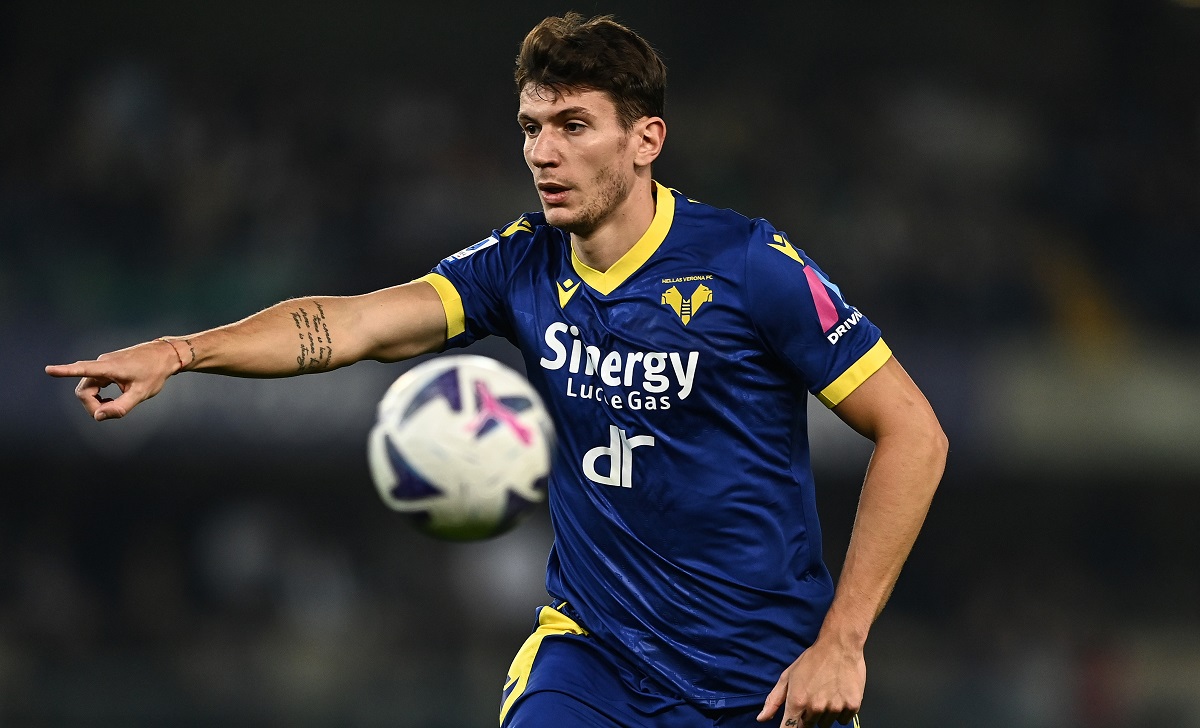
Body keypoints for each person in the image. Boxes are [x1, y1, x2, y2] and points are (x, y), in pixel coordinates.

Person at [46, 13, 947, 728]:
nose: (543, 152)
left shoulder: (749, 265)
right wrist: (181, 352)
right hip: (594, 660)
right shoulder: (519, 265)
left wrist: (844, 640)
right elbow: (356, 323)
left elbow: (914, 432)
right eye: (531, 127)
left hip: (765, 677)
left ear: (646, 139)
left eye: (573, 126)